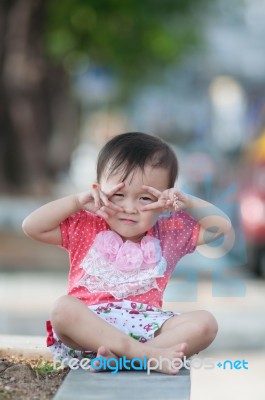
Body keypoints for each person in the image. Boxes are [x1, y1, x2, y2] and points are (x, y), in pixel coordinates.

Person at [22, 132, 231, 374]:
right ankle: (144, 357)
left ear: (165, 199)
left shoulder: (169, 232)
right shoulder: (86, 225)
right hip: (88, 333)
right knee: (62, 308)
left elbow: (220, 227)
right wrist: (77, 201)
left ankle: (126, 359)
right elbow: (32, 226)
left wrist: (188, 201)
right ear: (98, 190)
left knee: (205, 324)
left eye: (145, 198)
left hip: (147, 330)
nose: (129, 208)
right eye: (118, 195)